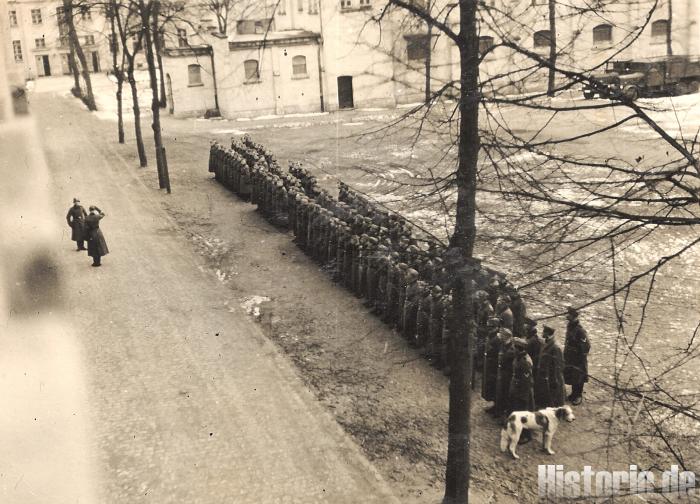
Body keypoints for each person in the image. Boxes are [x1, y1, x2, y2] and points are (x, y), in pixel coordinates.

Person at [564, 307, 591, 405]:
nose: (567, 316)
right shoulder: (570, 326)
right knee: (572, 376)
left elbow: (587, 346)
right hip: (570, 357)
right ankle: (573, 394)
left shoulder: (580, 331)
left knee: (579, 377)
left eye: (569, 315)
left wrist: (579, 356)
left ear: (574, 317)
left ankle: (578, 395)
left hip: (578, 359)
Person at [535, 326, 566, 408]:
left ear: (547, 333)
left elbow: (559, 366)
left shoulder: (555, 347)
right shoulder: (547, 342)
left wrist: (555, 379)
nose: (542, 333)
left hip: (552, 377)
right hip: (544, 375)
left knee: (554, 397)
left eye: (543, 332)